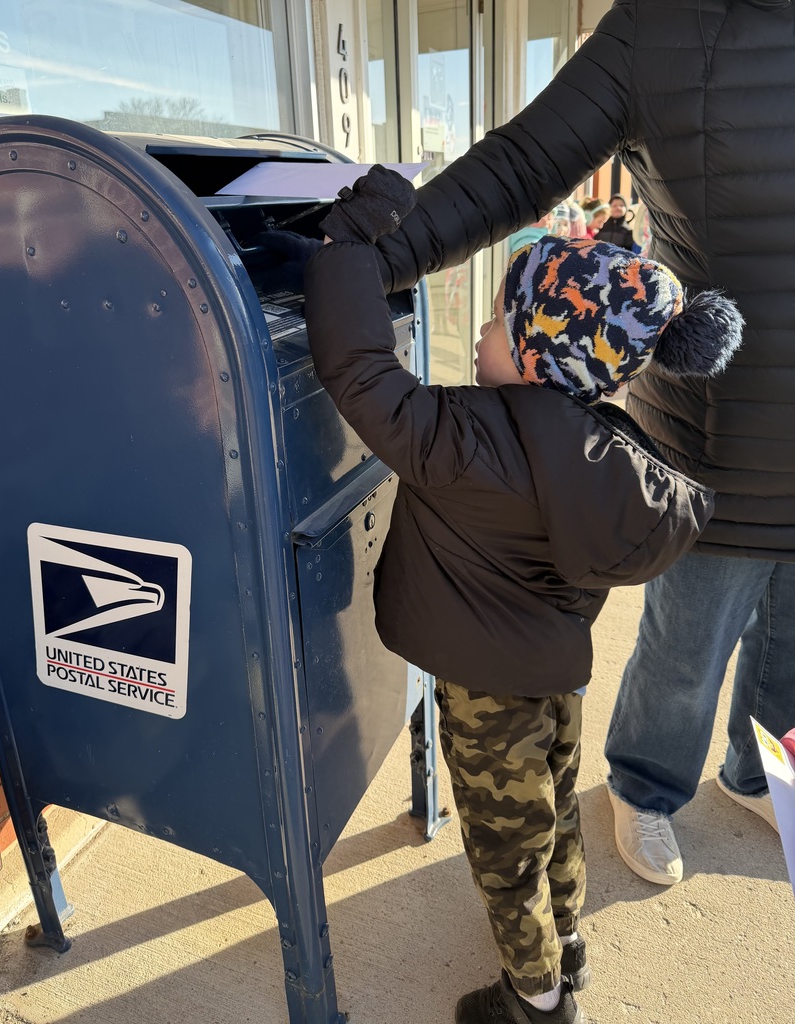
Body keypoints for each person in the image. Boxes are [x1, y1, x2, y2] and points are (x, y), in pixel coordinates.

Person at [370, 0, 795, 890]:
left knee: (790, 647)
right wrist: (356, 257)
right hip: (717, 445)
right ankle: (645, 787)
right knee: (686, 651)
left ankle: (756, 774)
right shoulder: (662, 27)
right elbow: (522, 162)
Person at [301, 165, 742, 1024]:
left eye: (505, 319)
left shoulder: (459, 440)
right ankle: (567, 941)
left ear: (543, 355)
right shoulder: (605, 453)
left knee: (504, 847)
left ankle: (535, 999)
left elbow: (356, 368)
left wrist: (345, 249)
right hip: (552, 675)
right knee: (553, 817)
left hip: (485, 693)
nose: (482, 328)